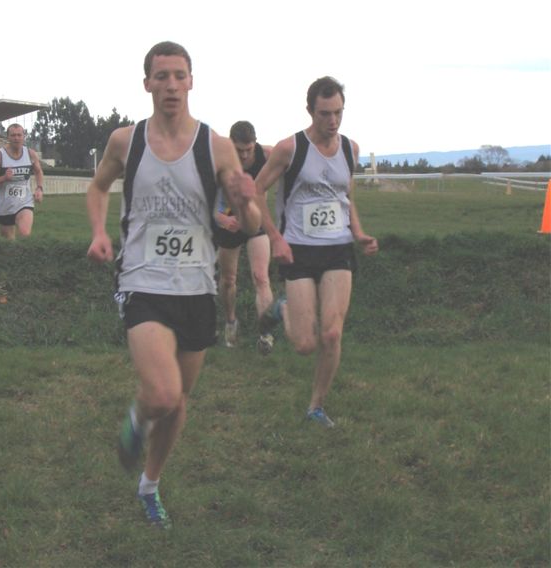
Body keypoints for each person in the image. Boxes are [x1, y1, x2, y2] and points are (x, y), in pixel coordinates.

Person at [86, 41, 261, 529]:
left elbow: (249, 224)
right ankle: (137, 419)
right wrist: (99, 232)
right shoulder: (126, 141)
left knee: (179, 401)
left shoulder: (217, 146)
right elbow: (97, 187)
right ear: (147, 83)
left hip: (197, 286)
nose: (170, 85)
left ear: (191, 82)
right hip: (142, 279)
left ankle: (150, 485)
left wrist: (246, 201)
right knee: (162, 394)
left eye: (179, 76)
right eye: (161, 76)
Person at [254, 76, 378, 428]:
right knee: (305, 344)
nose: (333, 120)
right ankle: (281, 308)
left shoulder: (350, 149)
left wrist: (358, 233)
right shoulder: (290, 148)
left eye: (338, 112)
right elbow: (257, 191)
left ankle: (316, 407)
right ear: (310, 111)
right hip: (298, 249)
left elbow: (346, 197)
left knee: (332, 333)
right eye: (325, 114)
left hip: (338, 249)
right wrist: (275, 237)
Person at [214, 120, 275, 353]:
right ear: (230, 144)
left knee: (261, 277)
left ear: (255, 143)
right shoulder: (218, 160)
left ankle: (266, 335)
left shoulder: (266, 155)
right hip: (228, 222)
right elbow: (202, 200)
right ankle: (230, 320)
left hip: (255, 221)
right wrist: (222, 220)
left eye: (248, 149)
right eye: (239, 150)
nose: (244, 155)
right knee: (229, 280)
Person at [0, 123, 44, 239]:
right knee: (8, 241)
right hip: (5, 205)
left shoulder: (30, 154)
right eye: (13, 135)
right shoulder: (0, 155)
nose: (16, 138)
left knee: (25, 234)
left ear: (24, 137)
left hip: (25, 202)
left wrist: (39, 188)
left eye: (19, 135)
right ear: (8, 137)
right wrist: (4, 178)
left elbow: (38, 172)